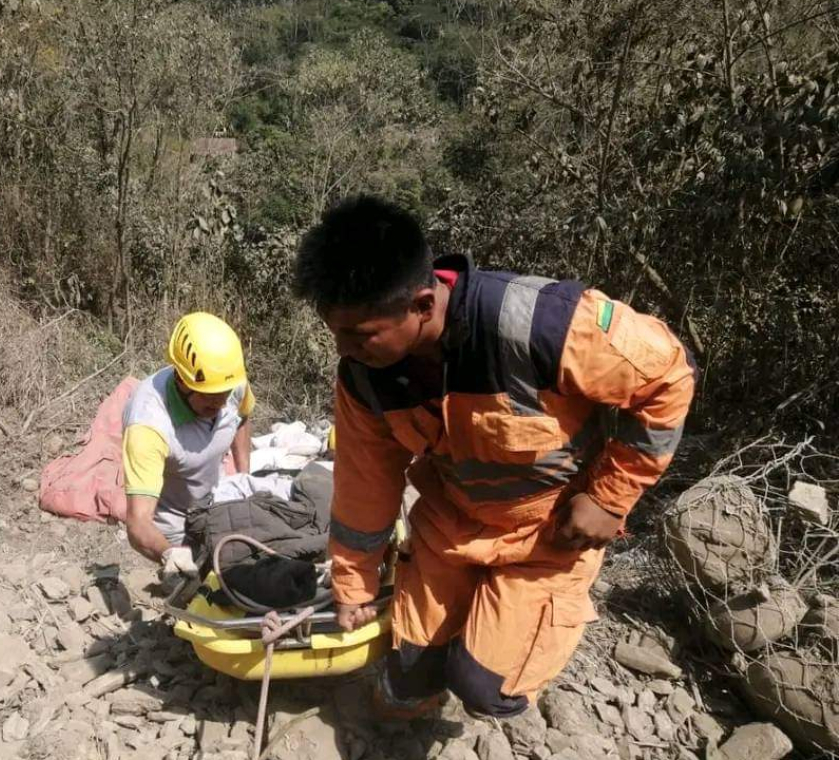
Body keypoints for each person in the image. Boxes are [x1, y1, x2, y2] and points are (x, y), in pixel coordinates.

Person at [291, 195, 696, 719]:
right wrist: (353, 586)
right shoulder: (365, 377)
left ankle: (506, 635)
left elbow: (667, 376)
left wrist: (609, 498)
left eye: (359, 335)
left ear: (421, 304)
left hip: (547, 536)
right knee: (409, 681)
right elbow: (362, 490)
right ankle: (450, 640)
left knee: (484, 689)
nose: (344, 350)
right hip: (452, 527)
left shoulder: (542, 326)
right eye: (336, 332)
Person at [121, 312, 255, 582]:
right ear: (182, 380)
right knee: (207, 586)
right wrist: (168, 553)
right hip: (175, 525)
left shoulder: (228, 381)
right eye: (209, 400)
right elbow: (138, 522)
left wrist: (244, 476)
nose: (219, 404)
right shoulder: (149, 426)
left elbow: (242, 417)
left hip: (217, 499)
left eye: (224, 396)